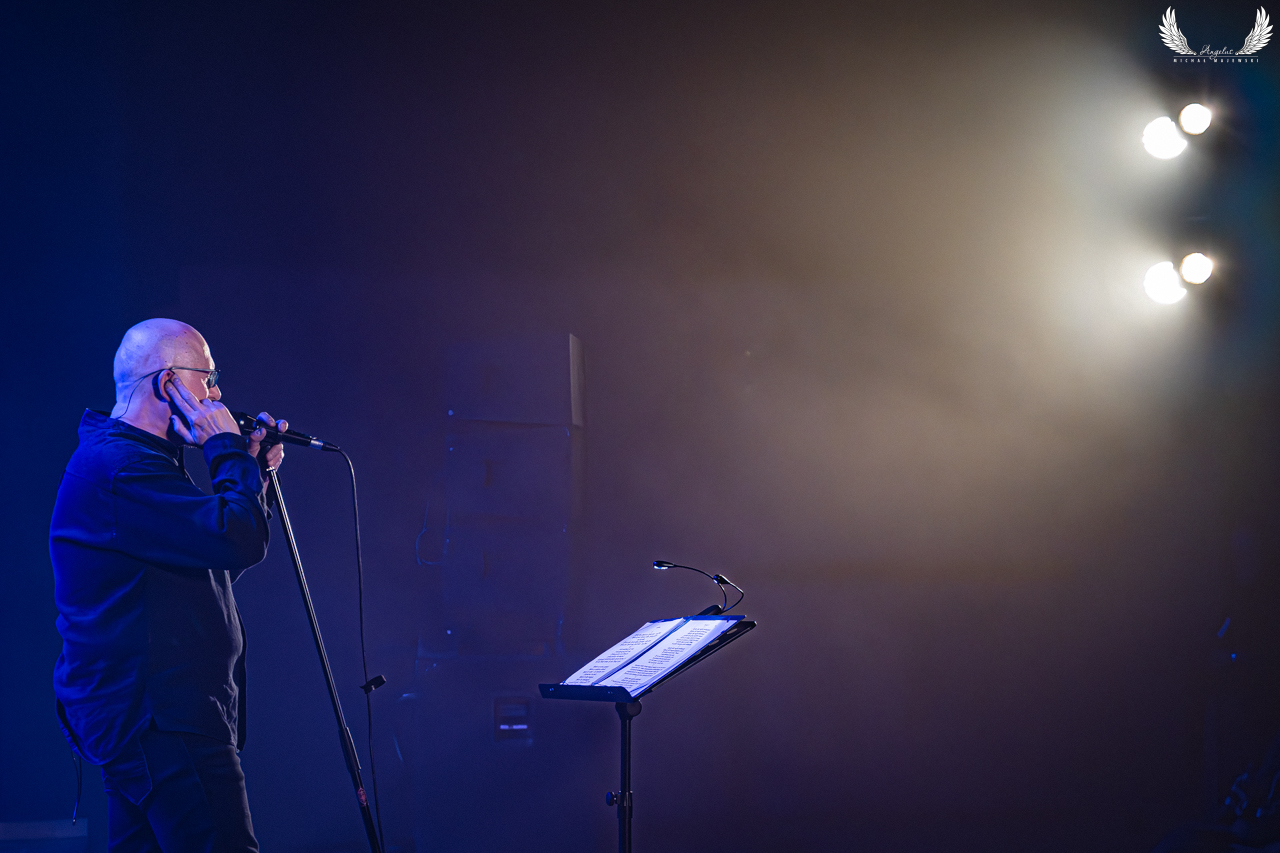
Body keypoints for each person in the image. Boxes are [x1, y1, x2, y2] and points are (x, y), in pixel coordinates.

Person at [50, 318, 287, 852]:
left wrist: (250, 472)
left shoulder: (133, 462)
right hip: (163, 719)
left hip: (153, 719)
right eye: (209, 378)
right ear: (168, 383)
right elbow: (237, 540)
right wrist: (226, 450)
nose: (217, 395)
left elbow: (212, 561)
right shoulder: (122, 468)